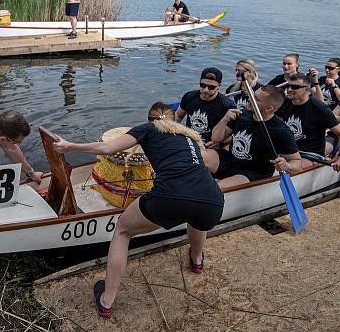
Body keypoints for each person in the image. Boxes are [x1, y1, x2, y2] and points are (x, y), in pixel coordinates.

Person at [53, 102, 224, 317]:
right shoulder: (190, 137)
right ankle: (197, 261)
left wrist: (70, 146)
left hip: (170, 197)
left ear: (149, 119)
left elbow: (107, 148)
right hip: (213, 199)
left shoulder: (148, 129)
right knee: (197, 217)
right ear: (175, 122)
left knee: (123, 231)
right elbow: (209, 165)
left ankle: (106, 300)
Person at [202, 85, 302, 189]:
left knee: (216, 188)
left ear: (268, 108)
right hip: (231, 160)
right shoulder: (242, 114)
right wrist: (225, 119)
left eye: (256, 99)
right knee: (197, 157)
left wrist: (286, 165)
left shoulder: (281, 131)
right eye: (252, 95)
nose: (250, 99)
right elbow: (216, 138)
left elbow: (297, 164)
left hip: (252, 172)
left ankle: (214, 186)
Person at [276, 73, 340, 168]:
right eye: (288, 86)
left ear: (306, 90)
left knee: (289, 167)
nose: (289, 89)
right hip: (287, 150)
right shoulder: (284, 103)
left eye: (294, 87)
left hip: (309, 154)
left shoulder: (319, 108)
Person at [176, 67, 235, 147]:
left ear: (219, 86)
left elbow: (234, 132)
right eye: (203, 85)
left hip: (210, 145)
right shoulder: (189, 97)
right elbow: (178, 116)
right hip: (189, 141)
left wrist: (221, 143)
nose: (206, 90)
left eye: (211, 87)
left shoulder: (227, 105)